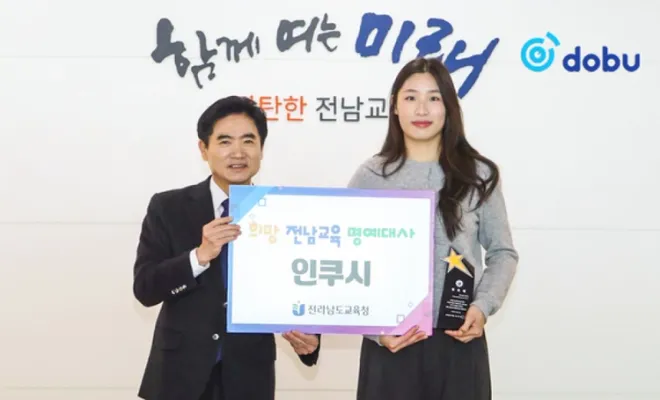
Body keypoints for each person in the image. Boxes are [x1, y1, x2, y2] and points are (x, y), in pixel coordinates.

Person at [347, 57, 519, 400]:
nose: (421, 109)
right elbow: (344, 258)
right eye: (411, 97)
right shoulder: (371, 176)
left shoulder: (479, 175)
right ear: (394, 106)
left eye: (434, 97)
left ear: (449, 107)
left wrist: (482, 306)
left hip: (458, 341)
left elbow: (503, 253)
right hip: (391, 344)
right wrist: (374, 331)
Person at [132, 95, 321, 400]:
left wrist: (310, 335)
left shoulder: (283, 212)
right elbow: (145, 289)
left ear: (261, 149)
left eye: (248, 141)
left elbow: (304, 283)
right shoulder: (168, 207)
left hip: (249, 376)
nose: (238, 152)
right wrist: (198, 256)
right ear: (203, 149)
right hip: (178, 376)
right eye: (224, 141)